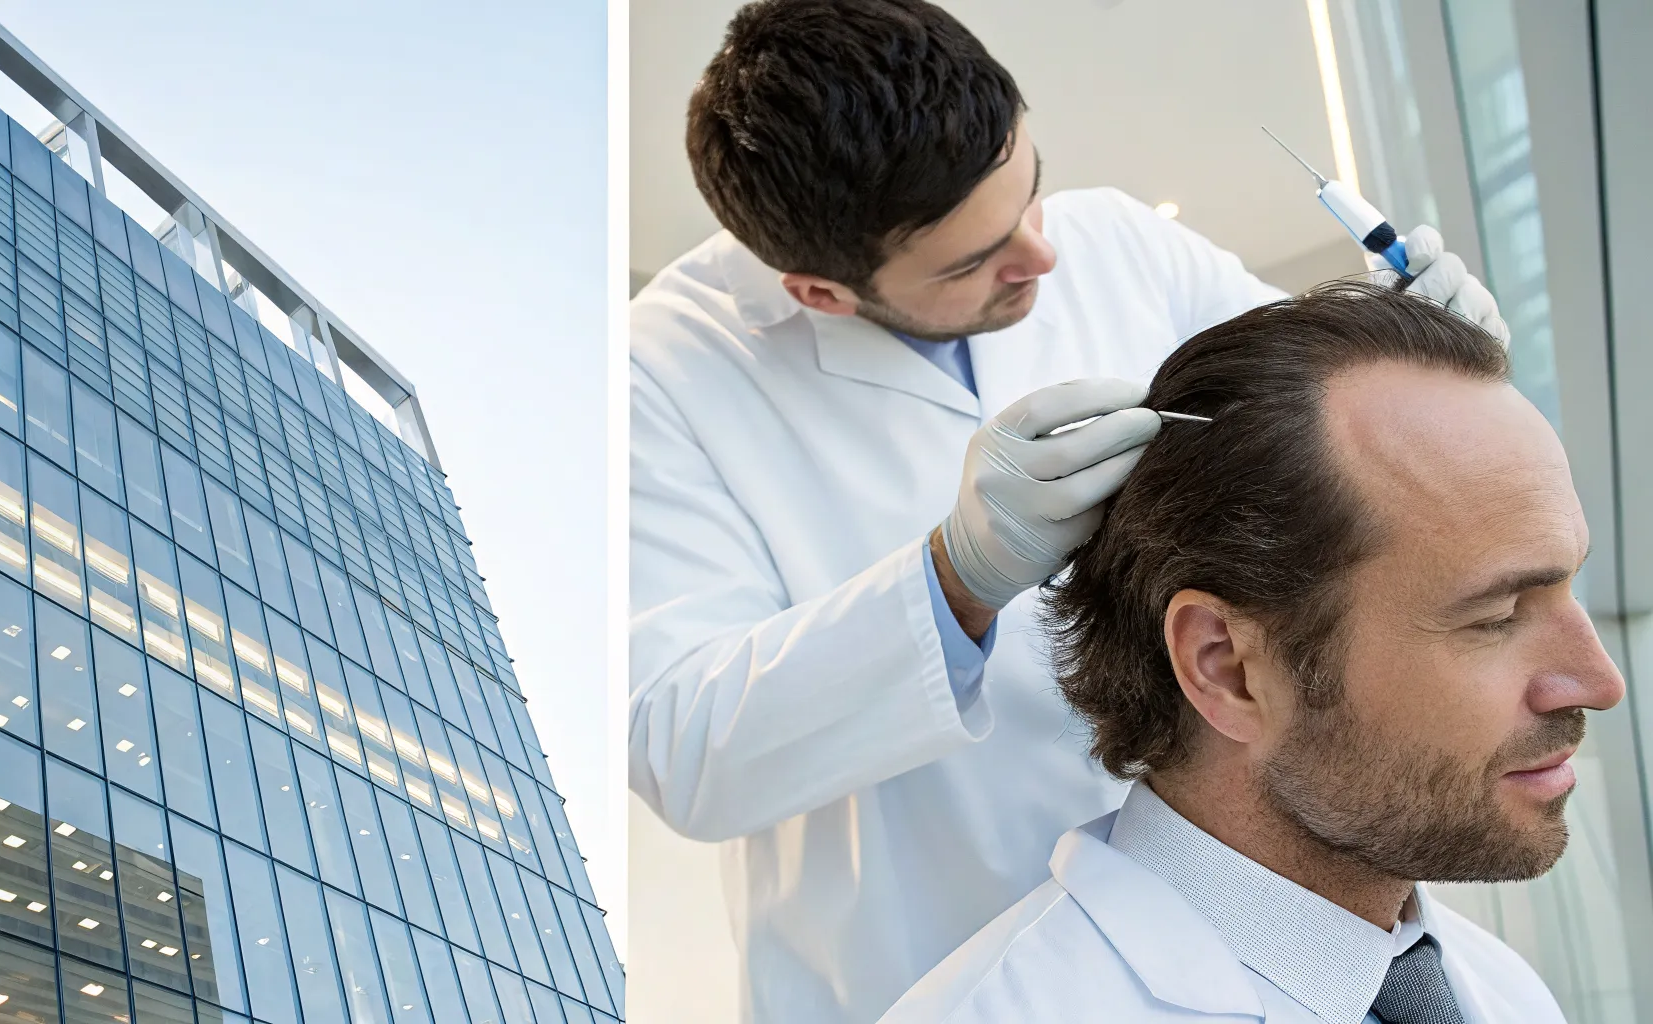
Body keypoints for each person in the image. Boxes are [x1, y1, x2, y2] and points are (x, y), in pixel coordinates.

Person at [628, 1, 1510, 1020]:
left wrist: (1410, 362)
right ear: (821, 293)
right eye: (972, 263)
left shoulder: (1124, 244)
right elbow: (681, 751)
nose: (1043, 257)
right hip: (923, 958)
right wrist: (956, 576)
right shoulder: (662, 375)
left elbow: (1317, 452)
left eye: (1029, 194)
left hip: (1246, 913)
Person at [876, 282, 1619, 1024]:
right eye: (1495, 617)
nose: (1599, 681)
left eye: (1570, 589)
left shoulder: (1494, 988)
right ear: (1225, 668)